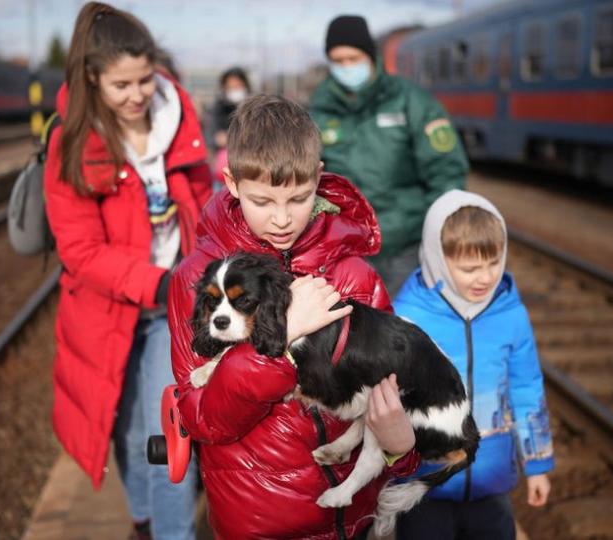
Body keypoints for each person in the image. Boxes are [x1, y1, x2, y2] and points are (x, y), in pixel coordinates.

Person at [168, 94, 421, 540]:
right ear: (230, 182)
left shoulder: (352, 275)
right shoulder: (199, 281)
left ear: (318, 179)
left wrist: (403, 449)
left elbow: (393, 390)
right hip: (261, 524)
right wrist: (282, 339)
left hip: (354, 519)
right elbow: (202, 417)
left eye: (300, 198)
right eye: (263, 201)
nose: (283, 219)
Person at [43, 3, 212, 539]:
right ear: (92, 78)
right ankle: (143, 521)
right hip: (108, 311)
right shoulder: (72, 142)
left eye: (145, 78)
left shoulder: (177, 117)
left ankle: (172, 533)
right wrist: (155, 280)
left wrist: (203, 268)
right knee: (128, 435)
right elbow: (81, 250)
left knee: (168, 437)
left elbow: (205, 200)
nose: (138, 94)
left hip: (172, 310)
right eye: (121, 85)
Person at [392, 190, 554, 539]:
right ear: (437, 259)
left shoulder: (511, 313)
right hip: (423, 485)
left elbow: (526, 387)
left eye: (494, 264)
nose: (485, 277)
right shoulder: (409, 316)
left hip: (490, 483)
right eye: (470, 268)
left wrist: (537, 463)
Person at [309, 15, 470, 294]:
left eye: (353, 58)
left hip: (406, 246)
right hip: (345, 248)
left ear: (370, 56)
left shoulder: (411, 101)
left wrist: (438, 231)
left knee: (404, 326)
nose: (347, 67)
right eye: (338, 60)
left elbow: (446, 171)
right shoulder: (319, 111)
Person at [204, 67, 251, 188]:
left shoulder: (254, 110)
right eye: (230, 88)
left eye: (237, 86)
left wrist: (233, 139)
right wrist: (216, 140)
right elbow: (208, 137)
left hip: (249, 169)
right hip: (221, 171)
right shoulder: (216, 110)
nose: (234, 91)